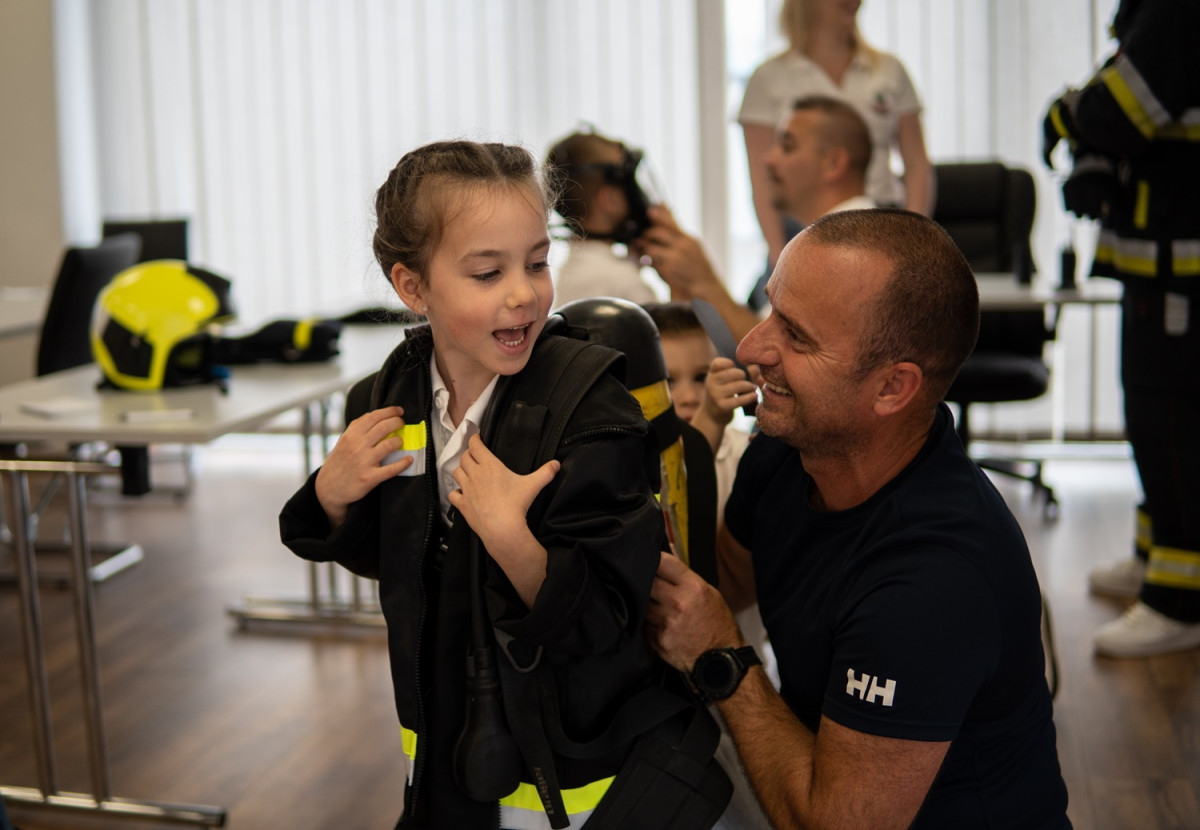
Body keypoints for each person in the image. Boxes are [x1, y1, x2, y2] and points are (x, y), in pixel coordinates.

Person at [279, 140, 671, 829]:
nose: (524, 292)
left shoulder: (591, 409)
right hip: (440, 740)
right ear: (412, 287)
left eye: (538, 262)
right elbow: (398, 559)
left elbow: (610, 618)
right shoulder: (388, 401)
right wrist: (333, 496)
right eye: (487, 273)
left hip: (564, 772)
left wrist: (512, 540)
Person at [646, 209, 1072, 829]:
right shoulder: (787, 453)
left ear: (892, 389)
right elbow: (723, 583)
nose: (749, 348)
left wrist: (722, 655)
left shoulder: (935, 578)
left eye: (796, 336)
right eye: (771, 310)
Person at [1042, 0, 1200, 658]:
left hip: (1181, 266)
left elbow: (1119, 110)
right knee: (1149, 415)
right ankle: (1155, 555)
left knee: (1172, 421)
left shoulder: (1175, 10)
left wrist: (1067, 111)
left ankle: (1179, 598)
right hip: (1158, 263)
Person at [639, 94, 876, 345]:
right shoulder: (829, 239)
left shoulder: (849, 252)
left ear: (833, 163)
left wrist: (704, 280)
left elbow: (777, 351)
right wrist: (687, 278)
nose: (768, 159)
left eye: (787, 146)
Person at [738, 0, 934, 274]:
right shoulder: (769, 78)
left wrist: (914, 243)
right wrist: (778, 255)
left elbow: (917, 164)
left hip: (880, 224)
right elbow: (763, 179)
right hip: (801, 230)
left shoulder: (889, 71)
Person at [544, 130, 662, 309]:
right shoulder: (625, 282)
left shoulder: (573, 270)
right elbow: (669, 335)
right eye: (628, 181)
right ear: (610, 200)